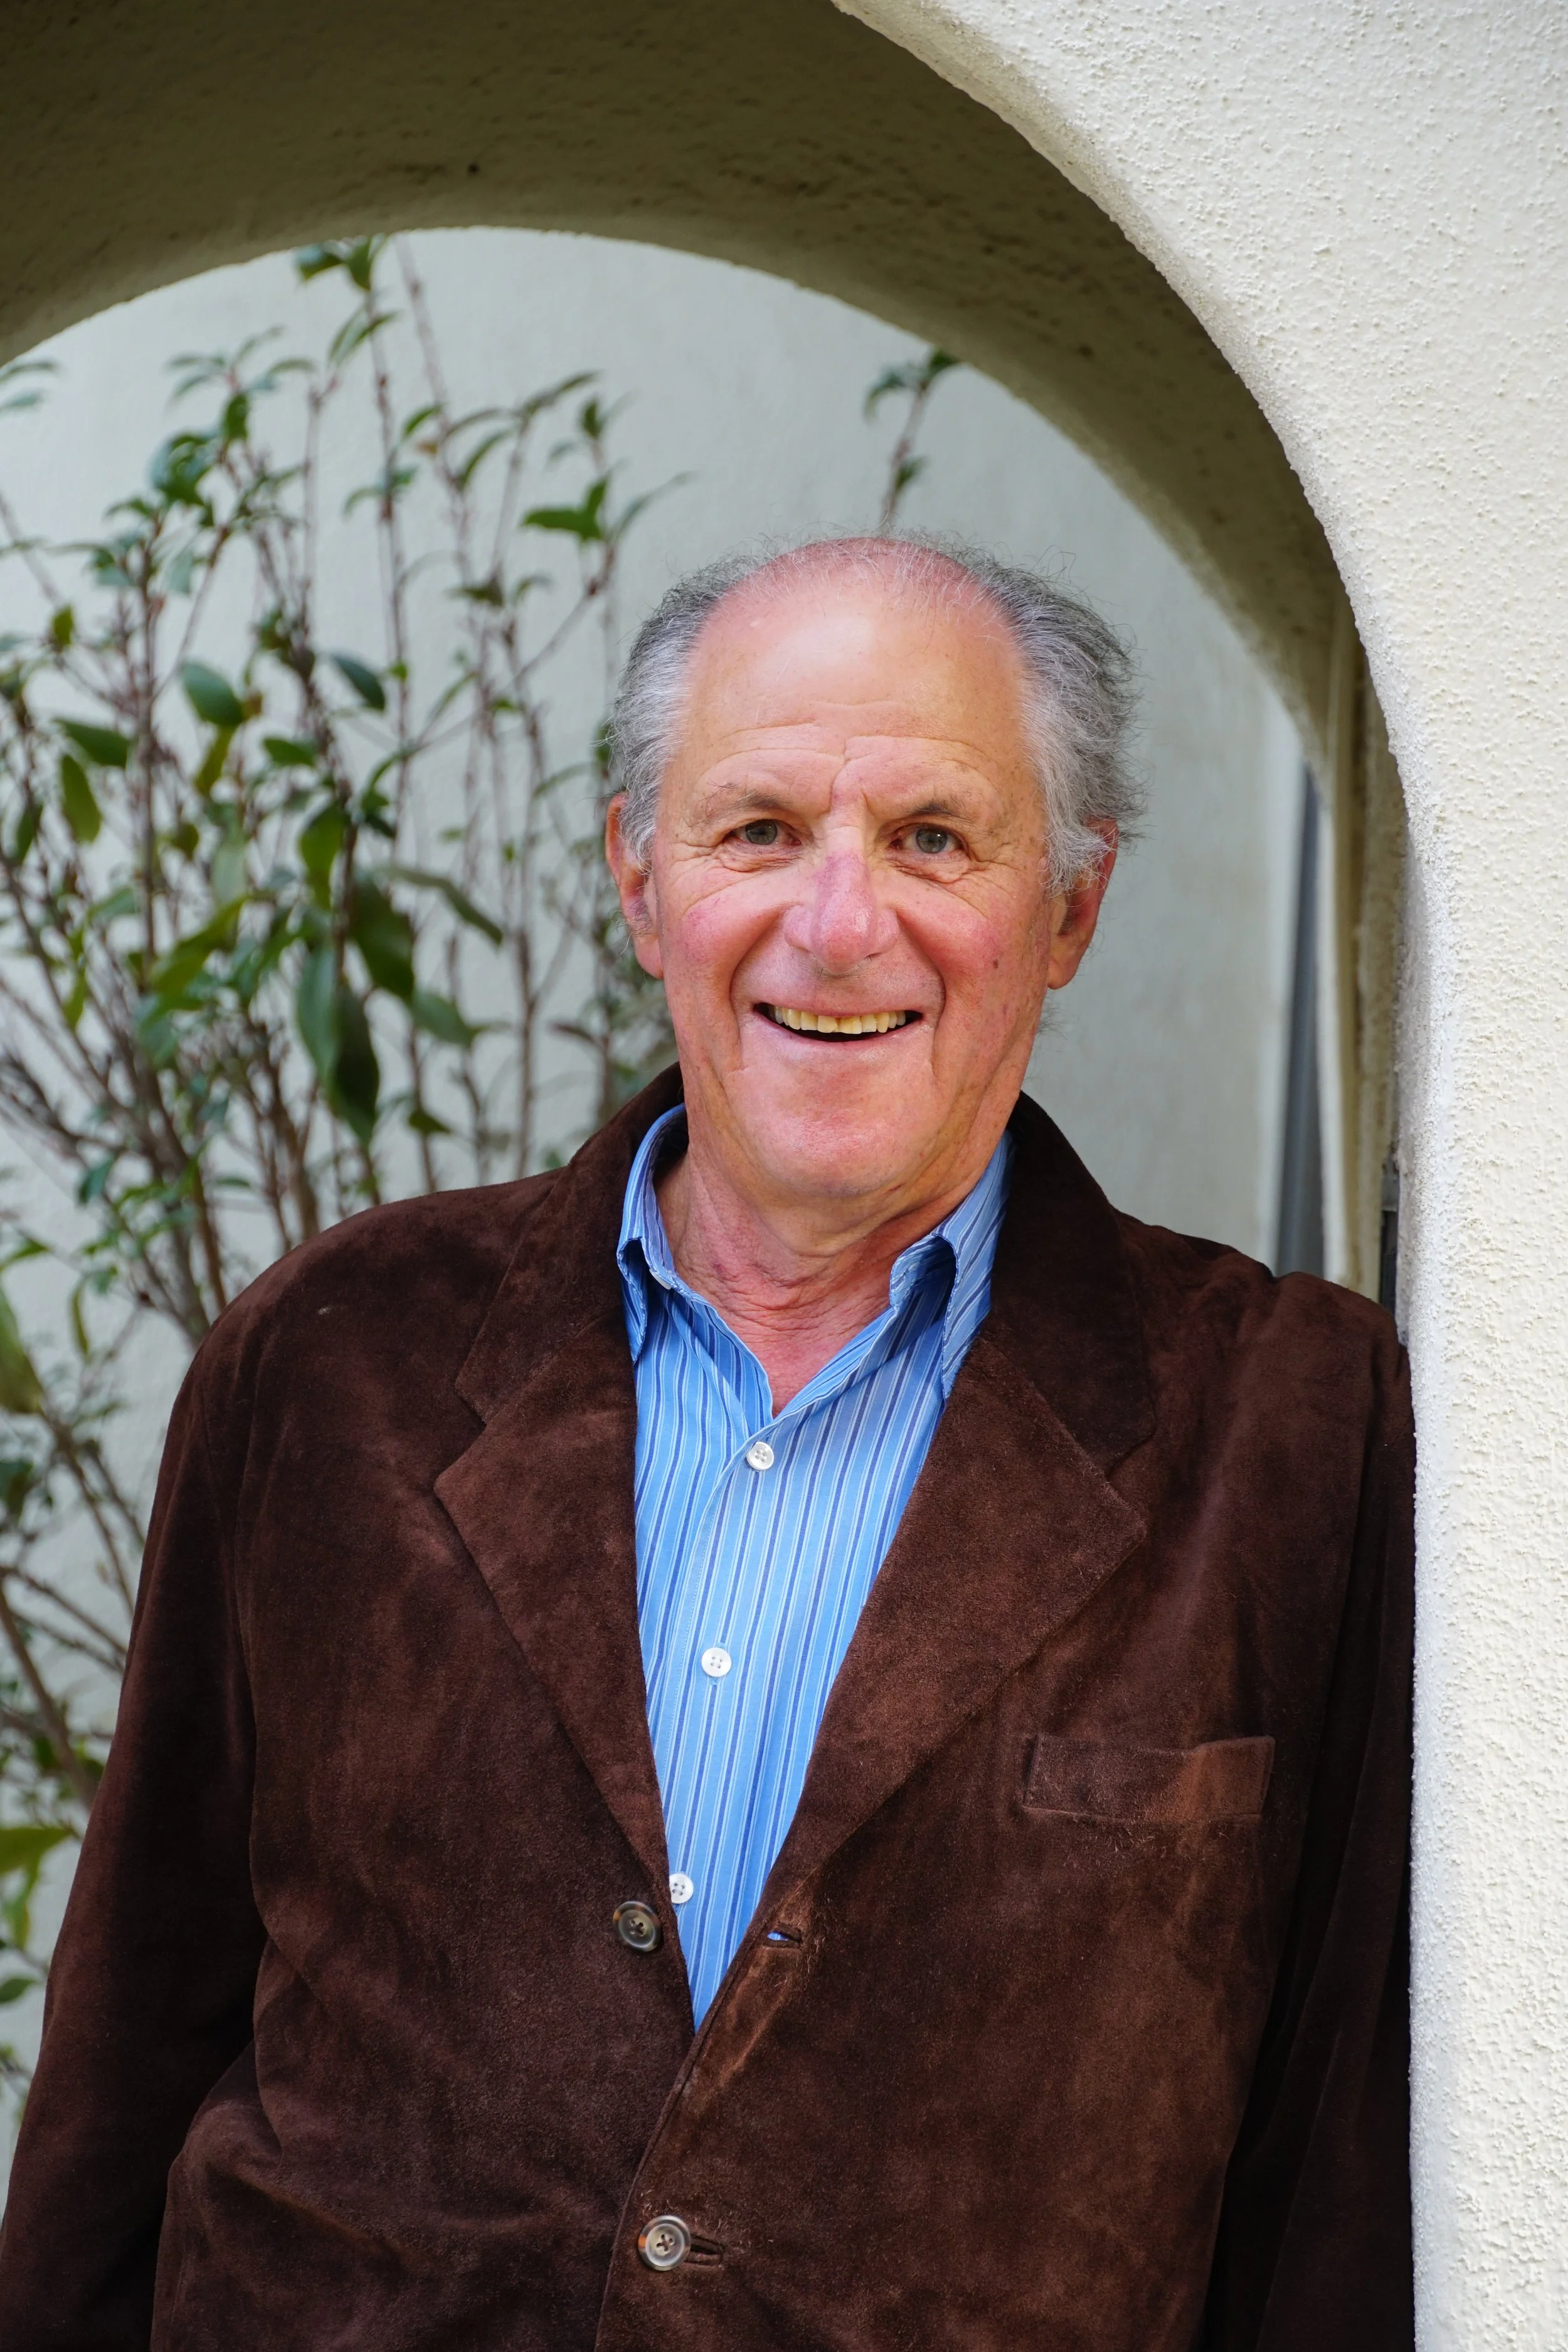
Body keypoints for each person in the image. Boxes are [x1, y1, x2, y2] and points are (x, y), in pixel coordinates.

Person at [0, 538, 1413, 2349]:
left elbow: (1332, 2172)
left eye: (930, 835)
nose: (838, 922)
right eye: (756, 830)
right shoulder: (334, 1358)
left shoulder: (1286, 1425)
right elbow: (126, 2062)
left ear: (1067, 909)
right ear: (637, 879)